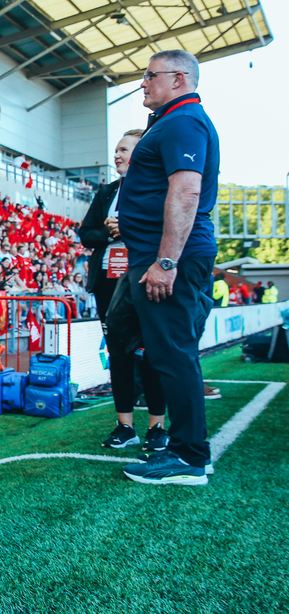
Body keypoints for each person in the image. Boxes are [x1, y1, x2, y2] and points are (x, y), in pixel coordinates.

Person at [117, 50, 219, 486]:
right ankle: (187, 449)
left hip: (170, 258)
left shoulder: (182, 121)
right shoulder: (175, 121)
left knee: (173, 354)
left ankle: (188, 456)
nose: (142, 83)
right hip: (165, 256)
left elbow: (186, 190)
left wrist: (164, 261)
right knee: (168, 353)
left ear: (178, 79)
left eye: (149, 75)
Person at [79, 129, 168, 451]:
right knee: (118, 354)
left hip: (144, 280)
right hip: (108, 282)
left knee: (150, 354)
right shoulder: (106, 192)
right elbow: (85, 233)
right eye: (116, 149)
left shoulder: (157, 187)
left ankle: (157, 426)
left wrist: (129, 228)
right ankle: (124, 425)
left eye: (125, 149)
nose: (117, 155)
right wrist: (110, 233)